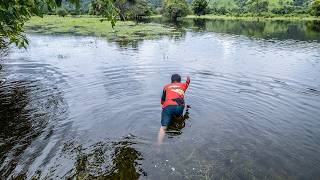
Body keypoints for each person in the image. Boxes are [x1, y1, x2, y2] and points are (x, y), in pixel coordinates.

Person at [157, 74, 190, 145]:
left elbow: (162, 101)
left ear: (171, 81)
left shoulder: (166, 87)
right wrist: (188, 77)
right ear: (180, 81)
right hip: (179, 107)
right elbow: (188, 81)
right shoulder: (183, 85)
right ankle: (178, 119)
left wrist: (165, 109)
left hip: (168, 106)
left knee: (163, 127)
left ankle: (158, 145)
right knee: (181, 108)